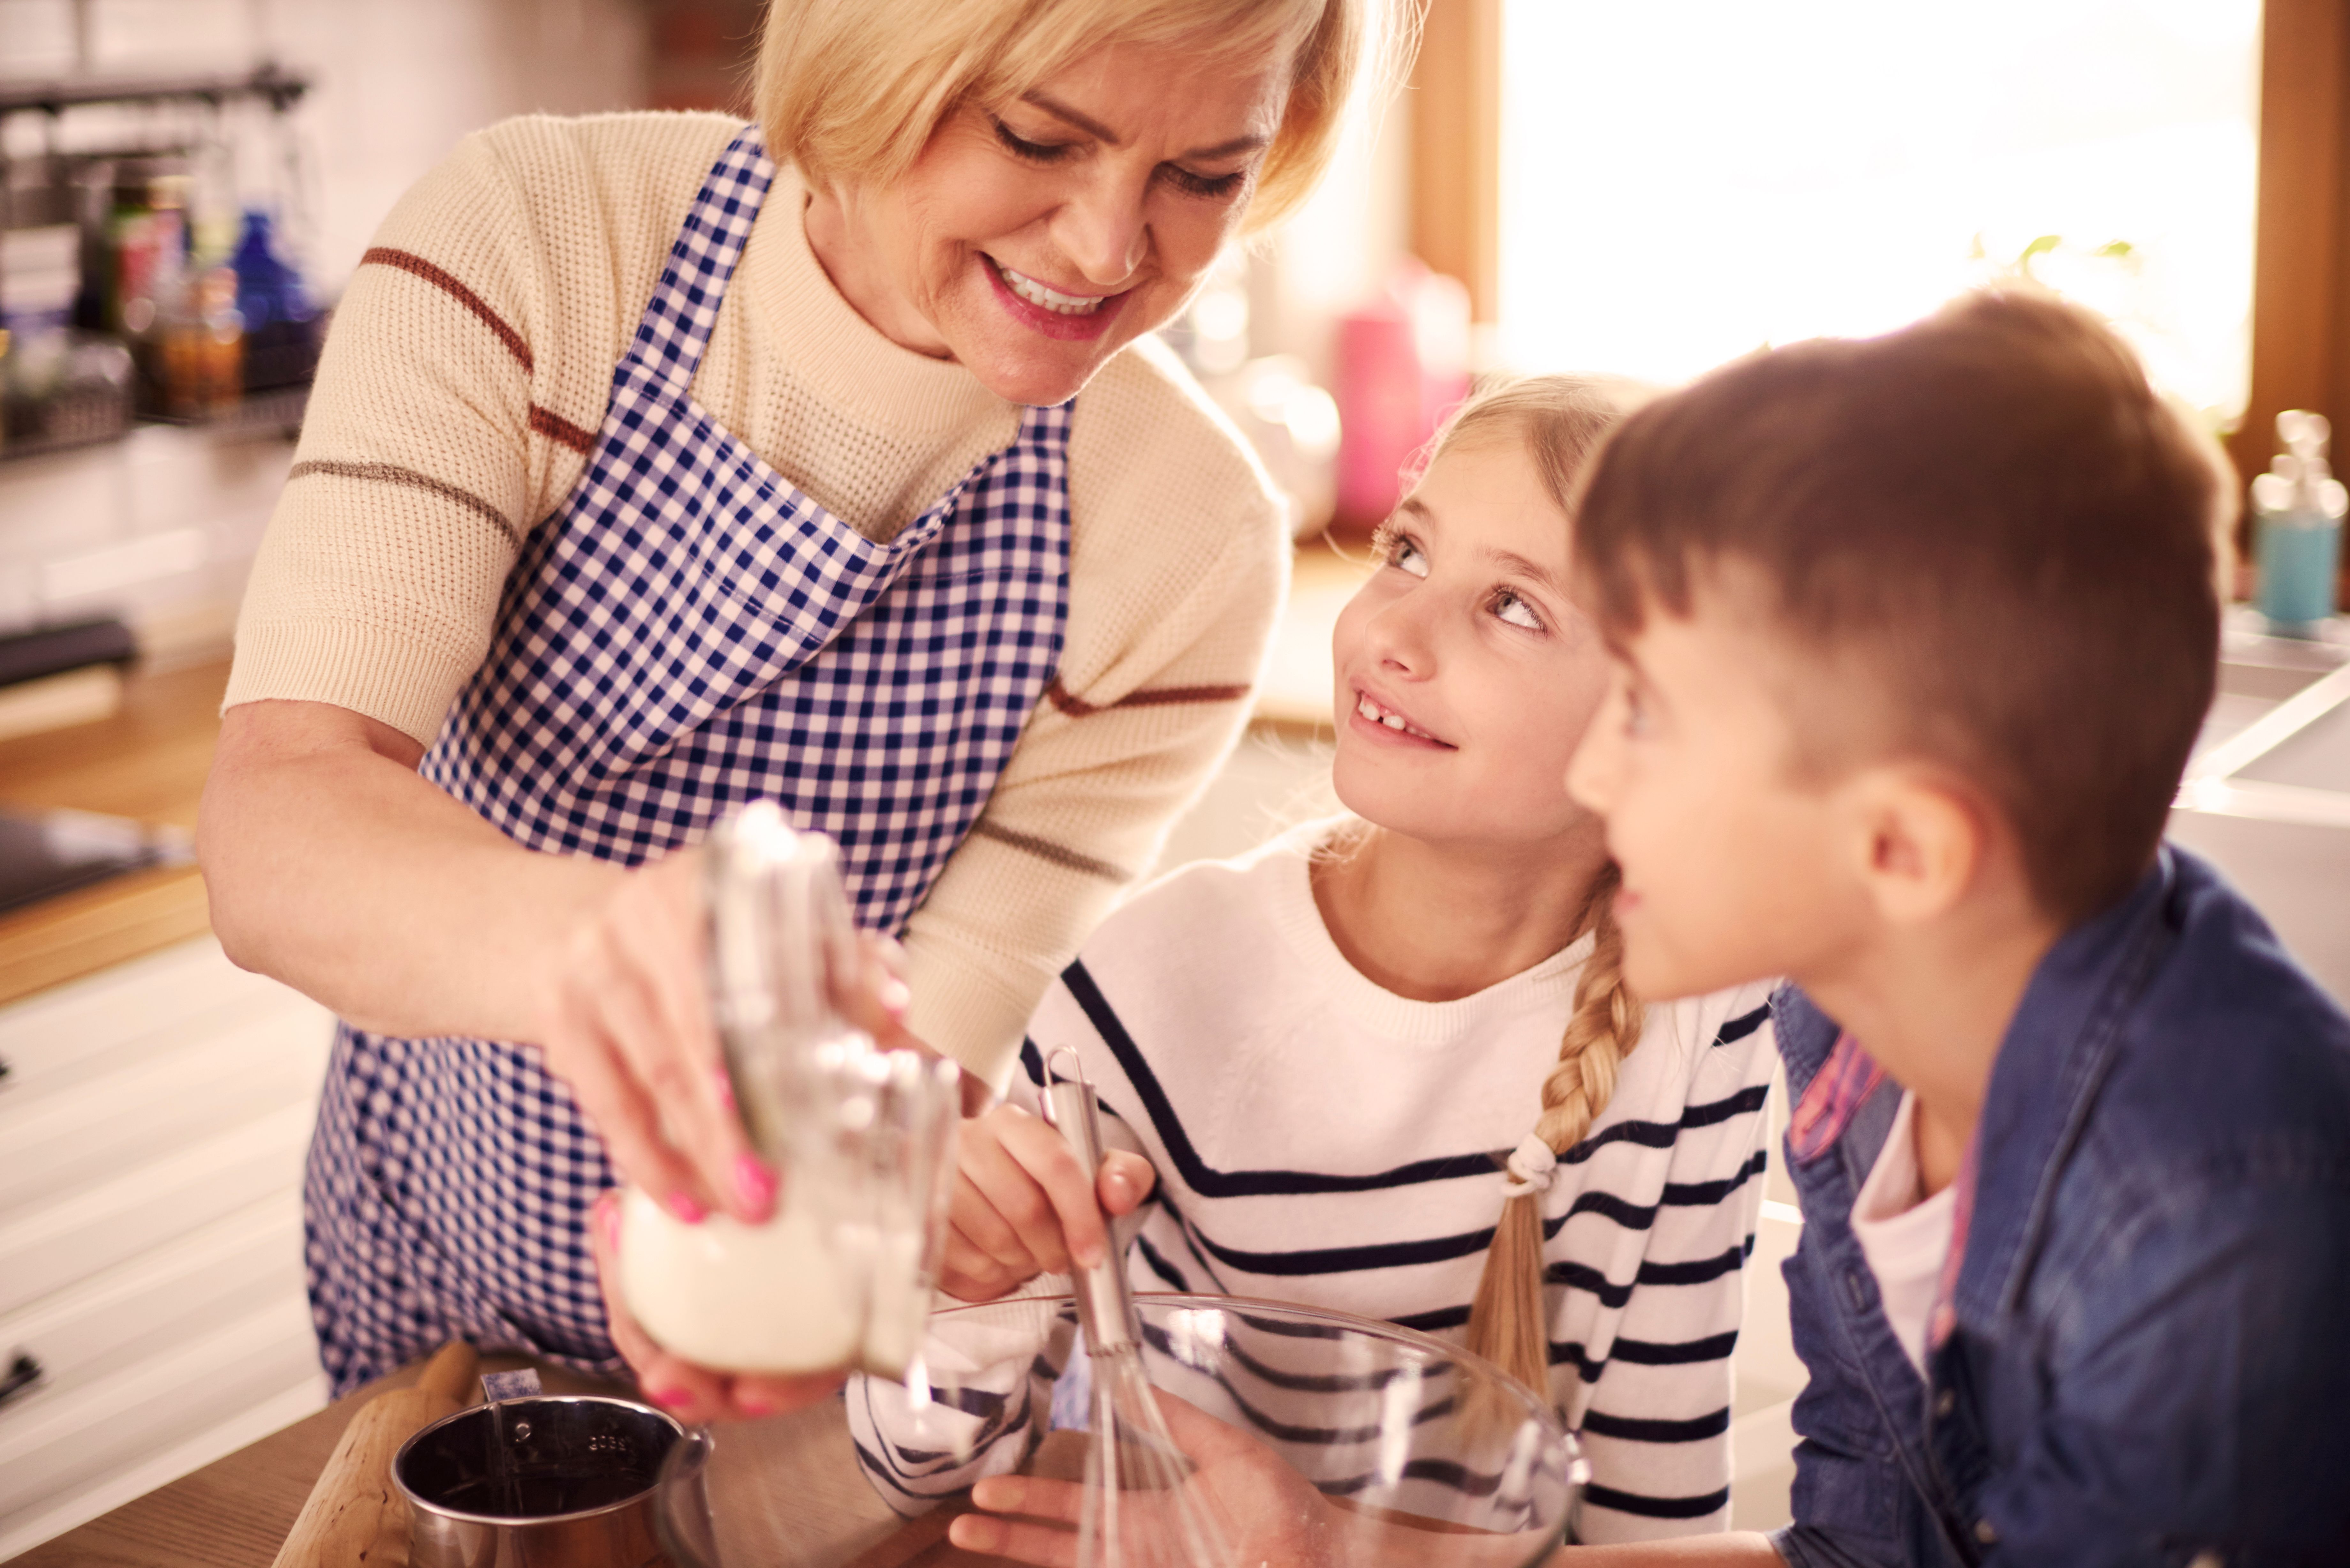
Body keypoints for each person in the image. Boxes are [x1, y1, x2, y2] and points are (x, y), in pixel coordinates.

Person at [196, 0, 1404, 1420]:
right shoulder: (540, 240)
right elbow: (276, 824)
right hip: (431, 1303)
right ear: (879, 54)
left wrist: (905, 1206)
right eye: (1035, 136)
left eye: (1202, 176)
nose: (1103, 248)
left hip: (794, 1371)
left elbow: (922, 1065)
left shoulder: (1180, 539)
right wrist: (598, 951)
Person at [862, 376, 1782, 1545]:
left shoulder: (1707, 1017)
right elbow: (922, 1480)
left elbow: (1654, 1526)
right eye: (1408, 549)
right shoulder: (1148, 988)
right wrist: (963, 1289)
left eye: (1512, 606)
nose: (1389, 632)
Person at [1552, 291, 2350, 1563]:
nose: (1587, 773)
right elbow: (1864, 1550)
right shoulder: (1853, 1027)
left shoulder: (2215, 1230)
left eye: (1642, 710)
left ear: (1903, 852)